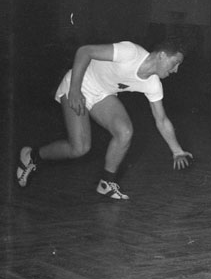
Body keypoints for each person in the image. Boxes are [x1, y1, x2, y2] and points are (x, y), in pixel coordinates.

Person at [16, 37, 193, 200]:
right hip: (79, 83)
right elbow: (84, 51)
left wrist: (177, 151)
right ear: (162, 55)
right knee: (79, 148)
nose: (176, 70)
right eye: (175, 63)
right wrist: (75, 89)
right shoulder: (130, 52)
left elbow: (161, 120)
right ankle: (33, 156)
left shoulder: (153, 84)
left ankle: (106, 182)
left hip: (102, 95)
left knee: (124, 132)